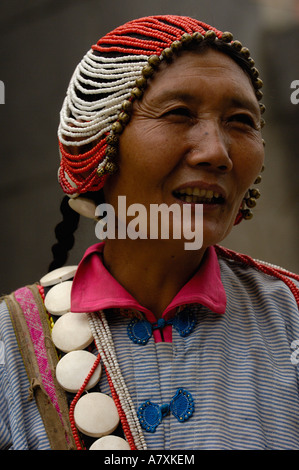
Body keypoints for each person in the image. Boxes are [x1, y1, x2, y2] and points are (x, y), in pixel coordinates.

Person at [1, 14, 299, 451]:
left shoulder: (290, 321)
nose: (217, 152)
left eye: (240, 121)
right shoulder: (10, 346)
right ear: (100, 144)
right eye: (179, 113)